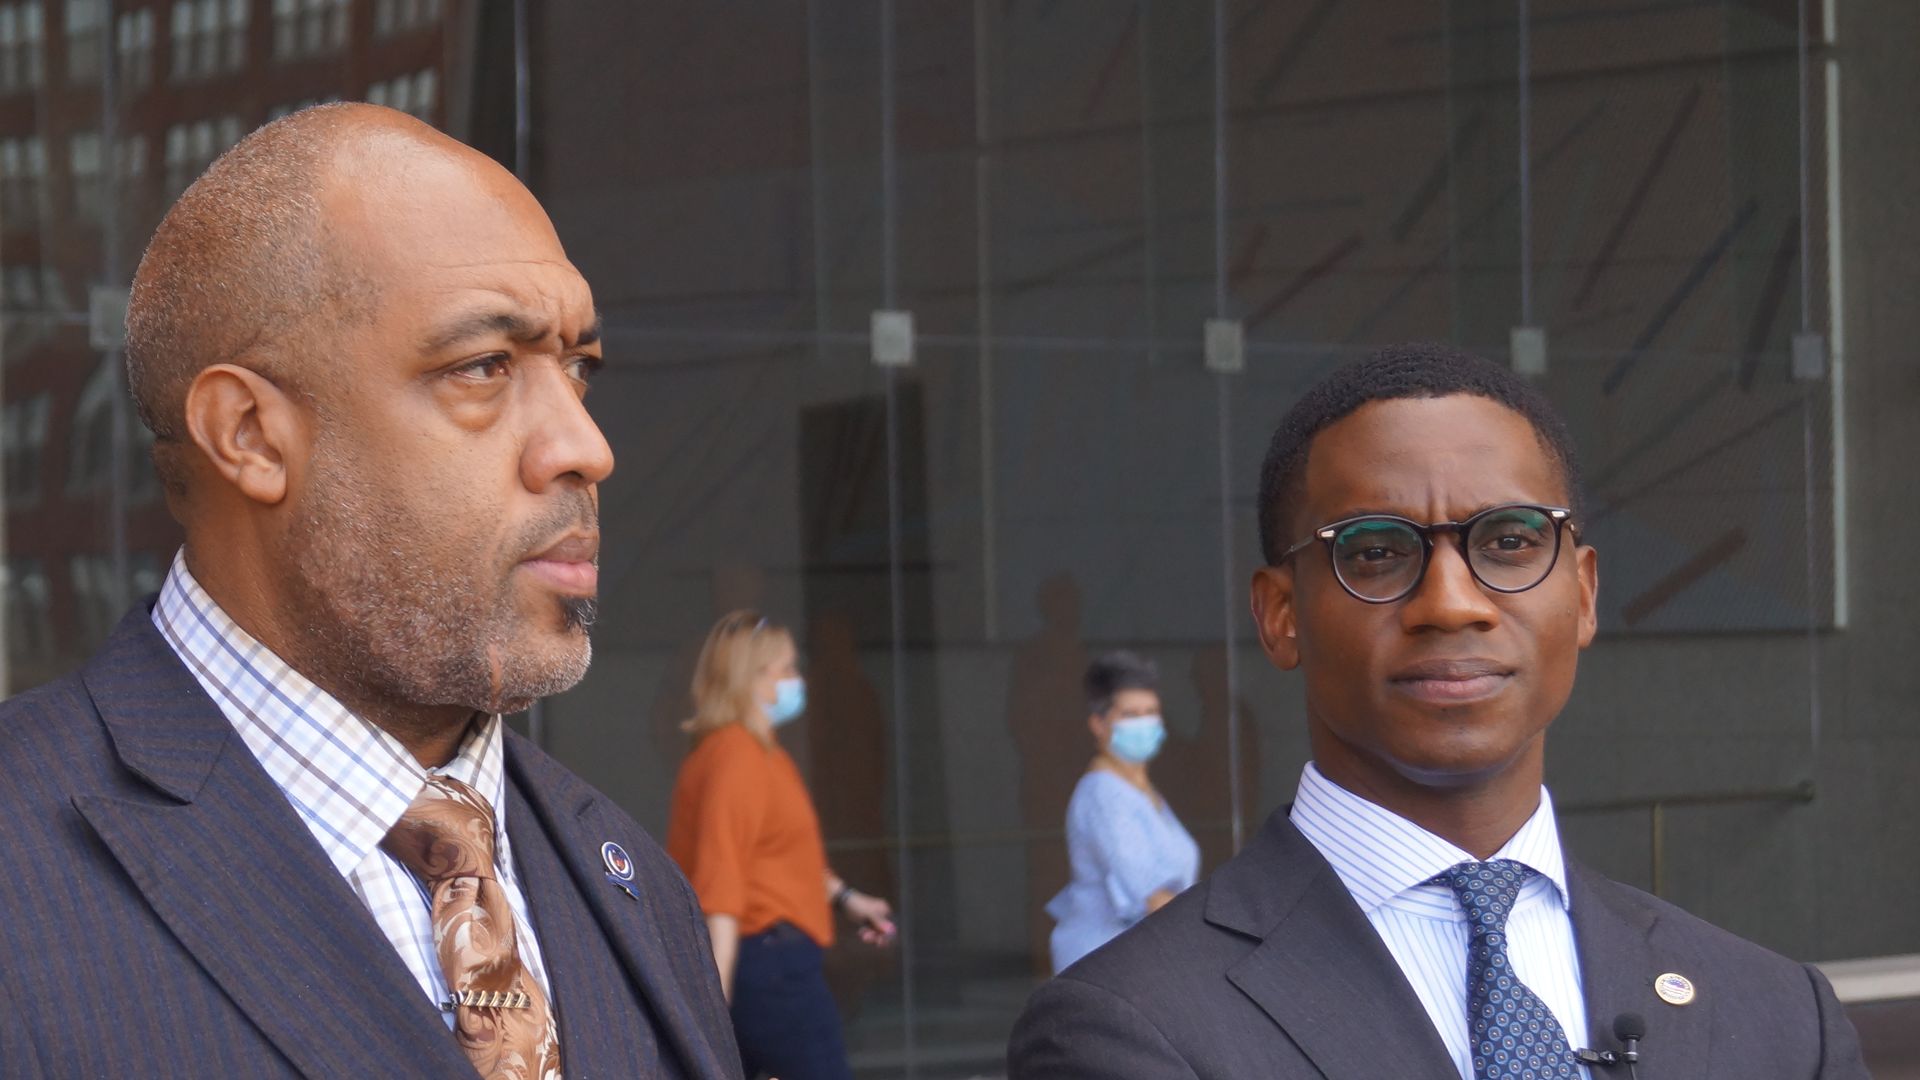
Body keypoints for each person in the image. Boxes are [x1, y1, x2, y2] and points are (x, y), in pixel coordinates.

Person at [0, 104, 740, 1079]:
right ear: (252, 436)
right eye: (484, 366)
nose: (586, 447)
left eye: (577, 369)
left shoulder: (632, 879)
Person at [1008, 344, 1868, 1079]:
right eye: (1376, 552)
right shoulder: (1129, 1028)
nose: (1452, 603)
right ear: (1280, 615)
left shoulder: (1782, 1017)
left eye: (1510, 541)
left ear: (1585, 593)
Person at [667, 611, 898, 1080]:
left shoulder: (759, 752)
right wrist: (712, 1013)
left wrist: (847, 899)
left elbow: (778, 857)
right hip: (768, 967)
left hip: (773, 960)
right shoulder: (736, 757)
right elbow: (720, 895)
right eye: (787, 669)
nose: (799, 680)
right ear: (752, 679)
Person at [1046, 650, 1200, 974]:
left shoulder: (1141, 792)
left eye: (1151, 712)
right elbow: (1151, 895)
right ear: (1099, 724)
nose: (1144, 723)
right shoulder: (1104, 794)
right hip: (1108, 969)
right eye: (1130, 715)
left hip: (1142, 964)